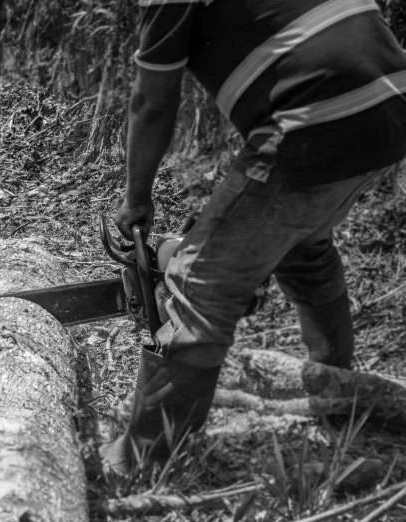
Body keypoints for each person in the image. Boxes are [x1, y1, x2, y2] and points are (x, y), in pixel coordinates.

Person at [101, 0, 406, 475]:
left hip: (316, 115)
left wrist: (136, 199)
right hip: (391, 100)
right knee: (305, 244)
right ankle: (333, 391)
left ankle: (139, 460)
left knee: (198, 284)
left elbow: (152, 101)